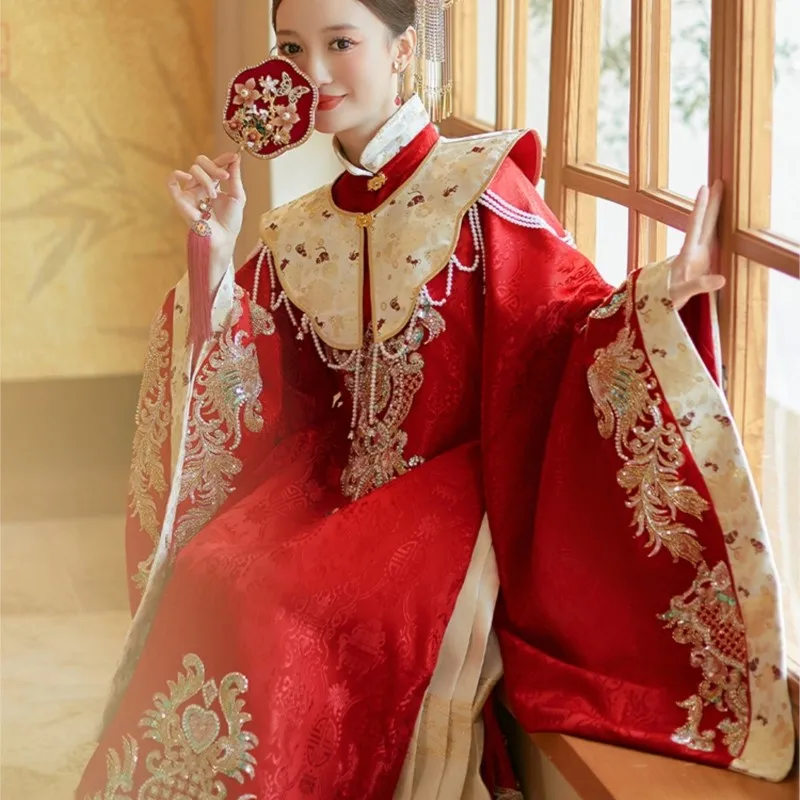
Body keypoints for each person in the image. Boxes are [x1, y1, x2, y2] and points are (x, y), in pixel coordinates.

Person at [76, 0, 795, 797]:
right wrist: (215, 251)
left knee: (282, 604)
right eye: (292, 48)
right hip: (321, 485)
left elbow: (563, 327)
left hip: (445, 489)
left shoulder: (478, 185)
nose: (314, 73)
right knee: (211, 571)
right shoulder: (294, 230)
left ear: (403, 51)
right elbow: (251, 382)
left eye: (341, 42)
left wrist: (658, 298)